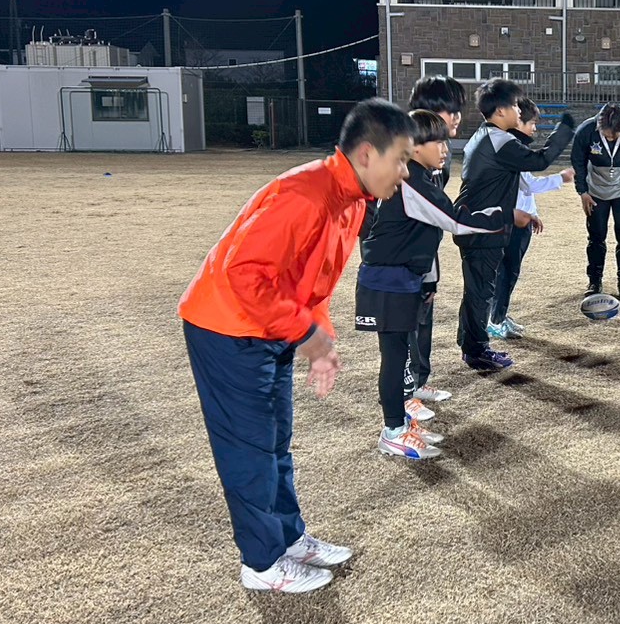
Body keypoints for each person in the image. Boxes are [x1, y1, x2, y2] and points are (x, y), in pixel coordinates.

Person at [178, 98, 414, 594]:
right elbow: (244, 274)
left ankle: (287, 537)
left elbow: (315, 283)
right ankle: (262, 563)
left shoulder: (352, 201)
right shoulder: (305, 194)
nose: (405, 172)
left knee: (275, 440)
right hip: (227, 328)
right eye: (401, 159)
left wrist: (318, 339)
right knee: (250, 447)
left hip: (268, 327)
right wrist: (305, 334)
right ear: (367, 154)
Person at [357, 109, 504, 459]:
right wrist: (504, 215)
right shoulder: (413, 182)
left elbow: (425, 233)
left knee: (399, 355)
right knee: (394, 358)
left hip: (402, 279)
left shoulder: (420, 178)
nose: (445, 148)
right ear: (414, 146)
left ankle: (401, 423)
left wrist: (426, 281)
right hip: (387, 281)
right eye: (437, 141)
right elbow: (457, 221)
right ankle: (393, 431)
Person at [455, 79, 576, 371]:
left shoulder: (486, 135)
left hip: (478, 222)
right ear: (500, 111)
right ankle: (477, 350)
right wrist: (565, 130)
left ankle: (470, 344)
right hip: (483, 226)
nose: (518, 111)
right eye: (513, 106)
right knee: (481, 291)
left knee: (477, 290)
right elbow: (540, 160)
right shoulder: (499, 140)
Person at [401, 75, 466, 407]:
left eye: (458, 110)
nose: (456, 118)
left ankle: (419, 381)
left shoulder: (442, 154)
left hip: (425, 248)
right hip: (400, 255)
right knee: (402, 323)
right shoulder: (398, 152)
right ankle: (403, 395)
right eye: (449, 110)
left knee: (423, 312)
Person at [489, 97, 575, 339]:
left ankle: (499, 315)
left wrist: (533, 214)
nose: (534, 128)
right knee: (506, 273)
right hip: (512, 223)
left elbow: (524, 189)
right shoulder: (511, 150)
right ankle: (495, 321)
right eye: (532, 123)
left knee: (509, 272)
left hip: (521, 220)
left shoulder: (511, 147)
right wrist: (561, 178)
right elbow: (530, 184)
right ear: (518, 122)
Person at [570, 102, 620, 299]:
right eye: (606, 135)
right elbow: (578, 162)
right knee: (596, 236)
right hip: (595, 190)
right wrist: (583, 191)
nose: (611, 138)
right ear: (598, 126)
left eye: (615, 135)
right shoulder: (585, 131)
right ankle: (594, 281)